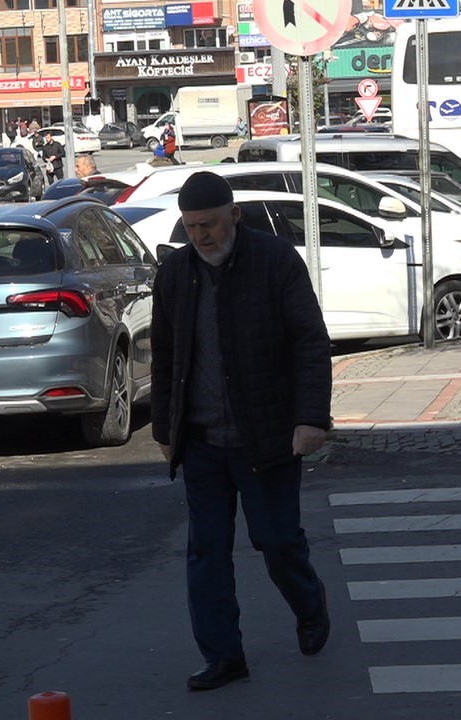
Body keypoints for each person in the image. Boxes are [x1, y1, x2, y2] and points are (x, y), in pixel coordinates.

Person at [150, 171, 333, 692]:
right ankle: (223, 654)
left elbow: (309, 343)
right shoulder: (176, 273)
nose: (201, 235)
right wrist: (166, 427)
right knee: (206, 552)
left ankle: (309, 601)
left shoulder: (274, 261)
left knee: (275, 542)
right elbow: (166, 356)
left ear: (233, 215)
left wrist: (310, 418)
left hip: (268, 435)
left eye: (209, 223)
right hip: (203, 441)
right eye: (191, 227)